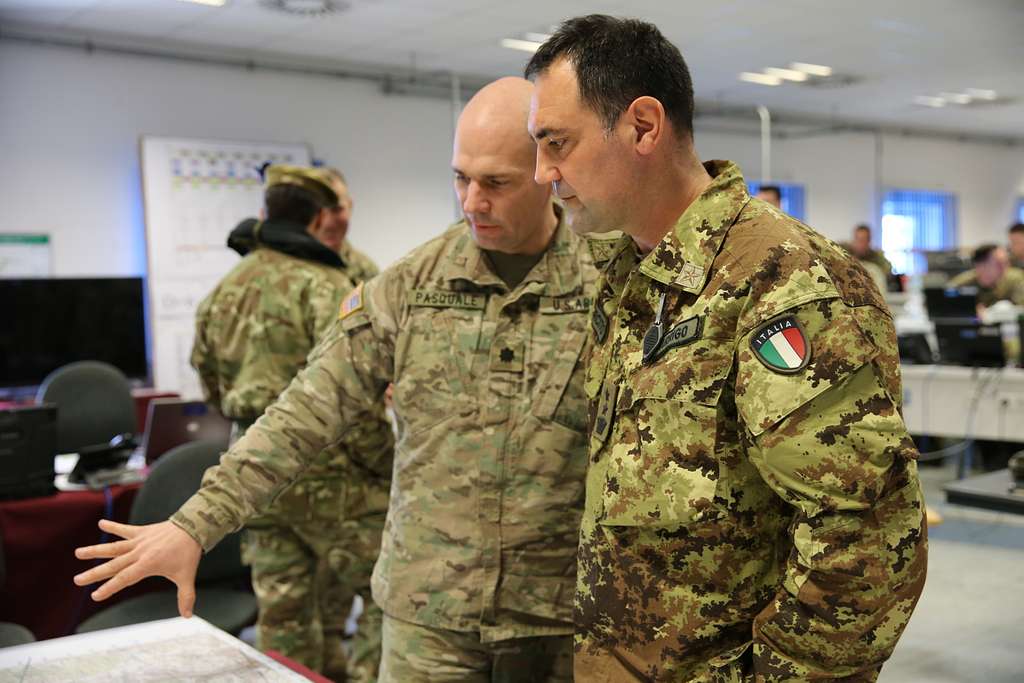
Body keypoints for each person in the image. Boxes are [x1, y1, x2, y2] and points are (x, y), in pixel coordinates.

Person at [74, 77, 598, 683]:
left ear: (544, 170)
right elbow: (304, 412)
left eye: (496, 183)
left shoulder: (607, 280)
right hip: (430, 621)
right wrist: (197, 523)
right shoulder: (411, 287)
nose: (472, 202)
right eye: (460, 178)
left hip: (561, 617)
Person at [526, 15, 927, 681]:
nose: (543, 172)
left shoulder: (782, 280)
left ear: (644, 127)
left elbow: (865, 538)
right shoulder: (629, 276)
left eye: (557, 143)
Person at [190, 164, 392, 682]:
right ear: (320, 216)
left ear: (265, 213)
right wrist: (383, 464)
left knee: (281, 616)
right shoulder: (327, 285)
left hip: (256, 474)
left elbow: (210, 386)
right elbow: (356, 394)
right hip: (334, 475)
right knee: (387, 594)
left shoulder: (222, 290)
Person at [313, 166, 381, 284]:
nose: (327, 223)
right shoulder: (284, 267)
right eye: (317, 211)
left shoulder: (366, 271)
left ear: (350, 207)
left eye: (337, 209)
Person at [947, 243, 1024, 310]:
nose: (1006, 267)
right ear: (980, 266)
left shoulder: (1016, 279)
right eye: (999, 263)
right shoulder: (962, 284)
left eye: (1006, 262)